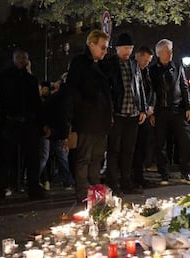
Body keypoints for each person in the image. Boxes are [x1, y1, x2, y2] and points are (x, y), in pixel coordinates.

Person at [0, 48, 46, 200]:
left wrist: (41, 124)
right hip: (11, 121)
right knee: (6, 158)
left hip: (24, 122)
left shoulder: (28, 79)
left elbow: (36, 104)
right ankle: (2, 189)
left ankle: (28, 188)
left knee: (29, 157)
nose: (22, 60)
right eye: (19, 57)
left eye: (24, 57)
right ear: (14, 58)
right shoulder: (7, 77)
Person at [66, 30, 112, 203]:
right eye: (102, 47)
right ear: (91, 44)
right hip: (86, 119)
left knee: (97, 158)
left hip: (100, 120)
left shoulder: (101, 64)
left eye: (106, 48)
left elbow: (107, 93)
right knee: (84, 158)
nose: (105, 51)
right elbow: (72, 91)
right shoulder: (79, 63)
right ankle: (83, 194)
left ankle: (95, 191)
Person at [149, 39, 190, 185]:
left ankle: (186, 171)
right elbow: (151, 91)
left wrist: (188, 107)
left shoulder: (177, 66)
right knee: (160, 143)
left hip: (177, 109)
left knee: (186, 140)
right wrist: (152, 112)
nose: (171, 53)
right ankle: (164, 173)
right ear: (159, 53)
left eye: (171, 51)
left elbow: (184, 87)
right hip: (160, 110)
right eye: (167, 51)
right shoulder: (153, 70)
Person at [104, 33, 147, 194]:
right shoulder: (110, 64)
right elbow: (108, 90)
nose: (127, 51)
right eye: (124, 48)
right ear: (117, 49)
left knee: (129, 151)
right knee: (114, 151)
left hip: (133, 114)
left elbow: (140, 87)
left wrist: (142, 108)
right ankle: (113, 184)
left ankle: (126, 183)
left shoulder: (134, 65)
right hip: (118, 113)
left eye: (130, 48)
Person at [132, 46, 156, 188]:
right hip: (135, 113)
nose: (146, 63)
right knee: (133, 148)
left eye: (149, 61)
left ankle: (139, 176)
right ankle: (132, 176)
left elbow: (152, 91)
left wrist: (150, 107)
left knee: (142, 146)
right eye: (145, 60)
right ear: (138, 56)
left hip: (146, 113)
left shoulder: (147, 72)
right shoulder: (132, 69)